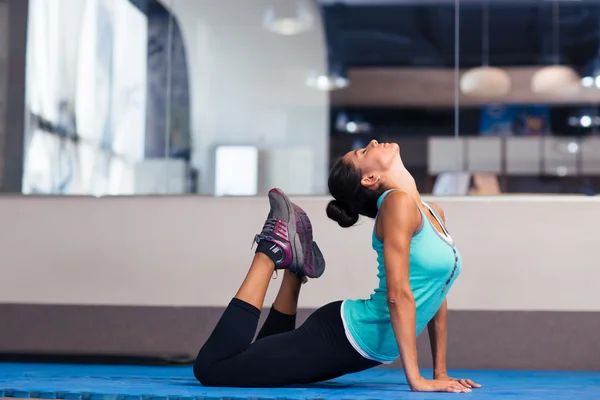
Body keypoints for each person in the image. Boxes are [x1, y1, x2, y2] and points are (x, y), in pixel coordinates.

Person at [193, 140, 481, 393]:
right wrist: (415, 379)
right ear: (370, 178)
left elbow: (436, 293)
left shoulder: (432, 212)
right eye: (364, 151)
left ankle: (295, 269)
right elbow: (398, 294)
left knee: (256, 362)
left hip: (356, 342)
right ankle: (270, 251)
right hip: (344, 336)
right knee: (212, 368)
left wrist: (440, 372)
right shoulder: (397, 204)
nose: (373, 141)